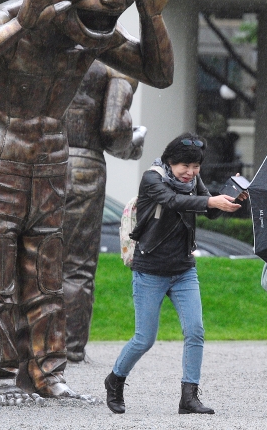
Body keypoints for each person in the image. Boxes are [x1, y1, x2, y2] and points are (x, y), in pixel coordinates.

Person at [0, 0, 194, 405]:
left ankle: (48, 374)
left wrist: (151, 13)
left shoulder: (92, 32)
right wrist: (22, 23)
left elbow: (158, 74)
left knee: (47, 277)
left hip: (52, 165)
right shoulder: (5, 17)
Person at [104, 132, 246, 415]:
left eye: (196, 167)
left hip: (183, 270)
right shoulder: (152, 179)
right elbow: (173, 202)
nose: (191, 173)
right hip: (150, 270)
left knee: (195, 331)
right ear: (171, 161)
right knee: (144, 338)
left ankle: (189, 397)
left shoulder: (193, 181)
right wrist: (210, 202)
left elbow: (209, 211)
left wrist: (231, 196)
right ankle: (115, 379)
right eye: (185, 167)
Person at [63, 60, 145, 363]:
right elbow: (113, 128)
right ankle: (69, 348)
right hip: (82, 165)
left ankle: (30, 347)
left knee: (34, 259)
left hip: (35, 160)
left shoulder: (43, 47)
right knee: (76, 266)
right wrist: (133, 145)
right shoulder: (111, 62)